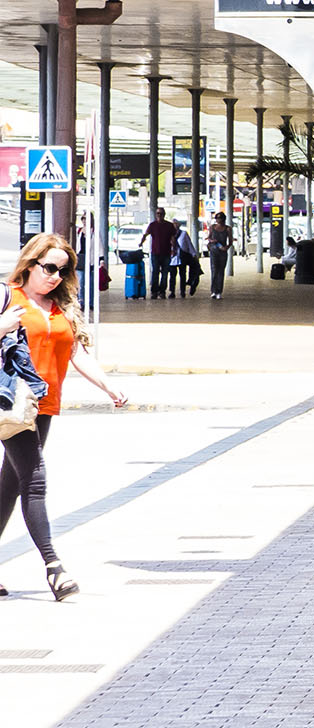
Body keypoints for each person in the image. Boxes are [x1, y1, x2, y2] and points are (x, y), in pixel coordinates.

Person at [0, 234, 129, 600]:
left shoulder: (62, 308)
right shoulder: (8, 296)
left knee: (11, 484)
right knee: (35, 480)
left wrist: (108, 386)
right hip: (11, 403)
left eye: (64, 270)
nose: (56, 276)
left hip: (45, 405)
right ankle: (54, 567)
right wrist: (4, 325)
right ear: (30, 264)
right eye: (50, 268)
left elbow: (77, 354)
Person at [137, 207, 177, 300]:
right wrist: (141, 242)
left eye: (161, 213)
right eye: (158, 213)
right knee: (155, 272)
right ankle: (154, 292)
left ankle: (162, 292)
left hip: (166, 253)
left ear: (164, 214)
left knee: (165, 273)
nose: (159, 215)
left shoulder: (169, 225)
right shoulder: (152, 225)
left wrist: (173, 249)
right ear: (156, 215)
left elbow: (173, 238)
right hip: (155, 253)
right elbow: (145, 234)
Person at [206, 214, 233, 300]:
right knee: (214, 270)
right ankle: (213, 291)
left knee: (221, 271)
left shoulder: (228, 228)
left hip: (222, 251)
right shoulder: (212, 227)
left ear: (224, 219)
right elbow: (209, 237)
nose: (218, 220)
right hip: (214, 251)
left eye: (220, 218)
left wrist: (227, 247)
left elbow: (230, 240)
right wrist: (211, 240)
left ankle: (219, 291)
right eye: (217, 218)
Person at [175, 223, 202, 297]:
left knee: (183, 274)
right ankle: (173, 292)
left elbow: (189, 245)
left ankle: (184, 290)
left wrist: (194, 255)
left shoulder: (184, 234)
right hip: (174, 258)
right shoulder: (169, 234)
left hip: (184, 257)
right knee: (173, 275)